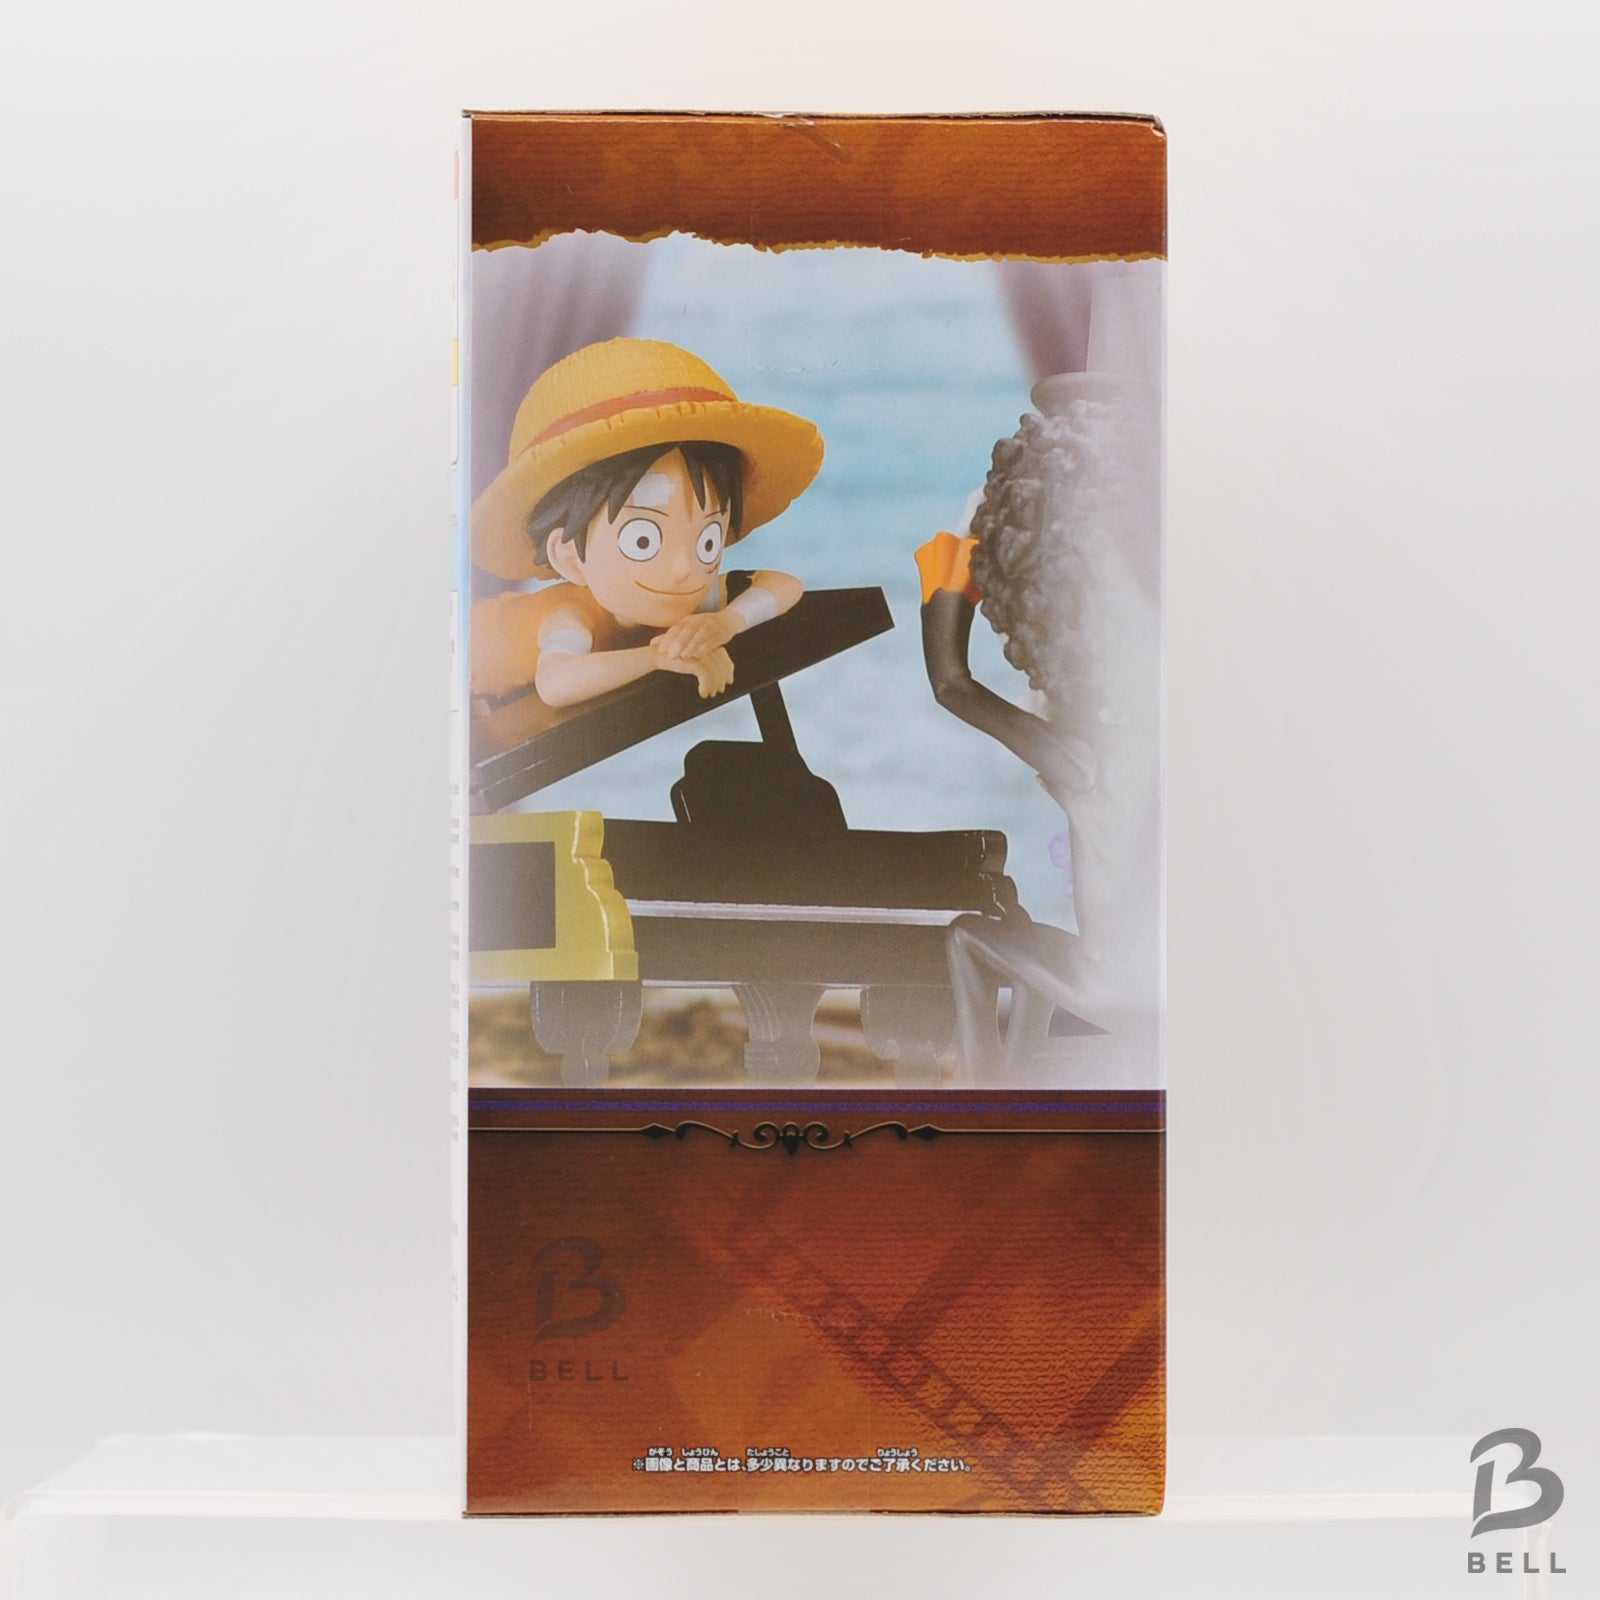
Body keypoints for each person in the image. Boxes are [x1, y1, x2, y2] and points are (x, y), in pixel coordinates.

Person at [470, 338, 823, 709]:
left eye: (707, 540)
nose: (683, 568)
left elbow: (784, 584)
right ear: (568, 556)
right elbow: (556, 683)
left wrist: (727, 623)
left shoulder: (681, 594)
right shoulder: (571, 615)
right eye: (643, 541)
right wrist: (657, 657)